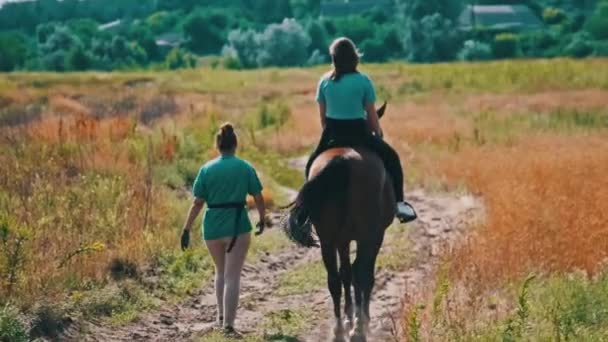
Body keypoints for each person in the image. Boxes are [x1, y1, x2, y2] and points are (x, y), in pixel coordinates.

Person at [305, 37, 412, 222]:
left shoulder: (324, 81)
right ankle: (400, 204)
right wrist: (377, 133)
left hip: (332, 133)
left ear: (334, 58)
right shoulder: (363, 81)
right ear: (355, 57)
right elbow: (371, 117)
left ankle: (305, 210)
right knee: (393, 159)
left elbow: (323, 118)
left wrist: (330, 135)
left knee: (311, 165)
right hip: (359, 133)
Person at [180, 123, 266, 337]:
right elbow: (258, 196)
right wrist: (263, 218)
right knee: (233, 276)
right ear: (235, 144)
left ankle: (220, 318)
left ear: (217, 145)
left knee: (220, 272)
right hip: (238, 226)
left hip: (212, 227)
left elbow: (198, 202)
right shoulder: (245, 167)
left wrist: (186, 228)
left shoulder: (206, 169)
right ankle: (228, 325)